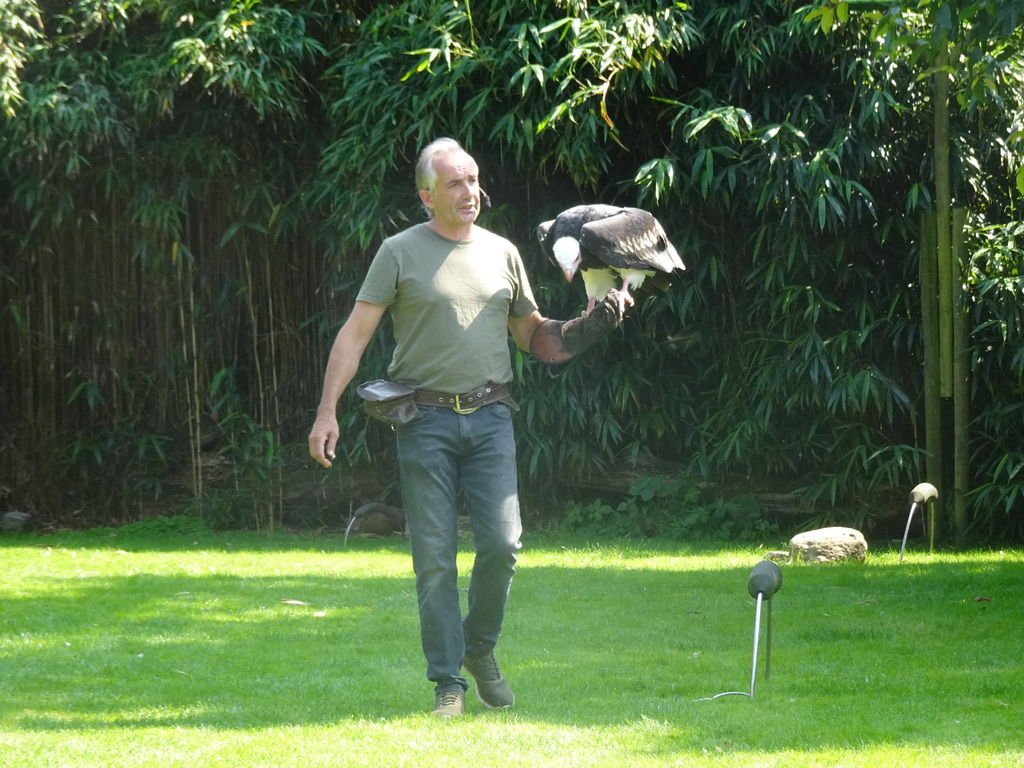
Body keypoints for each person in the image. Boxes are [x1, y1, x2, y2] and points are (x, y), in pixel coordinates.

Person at [308, 138, 621, 717]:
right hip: (422, 419)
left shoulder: (503, 251)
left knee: (503, 544)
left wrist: (584, 328)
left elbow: (532, 335)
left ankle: (479, 650)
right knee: (434, 557)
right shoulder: (398, 252)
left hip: (492, 415)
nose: (469, 191)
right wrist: (326, 412)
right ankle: (447, 680)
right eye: (454, 183)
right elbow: (355, 335)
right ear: (427, 196)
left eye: (473, 180)